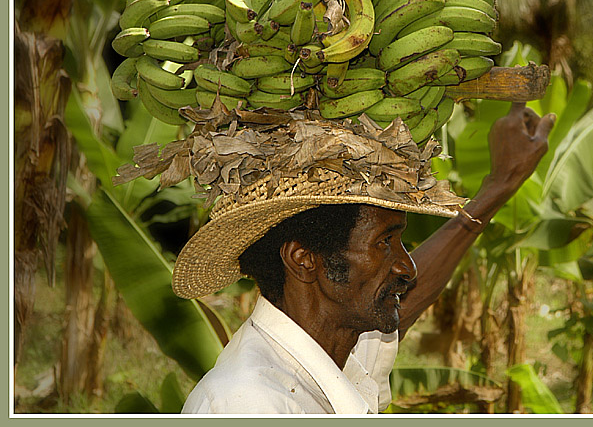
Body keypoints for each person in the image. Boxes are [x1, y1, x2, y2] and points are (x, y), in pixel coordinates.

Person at [177, 102, 555, 413]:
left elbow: (403, 306)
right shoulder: (249, 405)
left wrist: (501, 184)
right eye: (383, 243)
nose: (407, 267)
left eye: (400, 242)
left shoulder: (334, 338)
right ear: (304, 259)